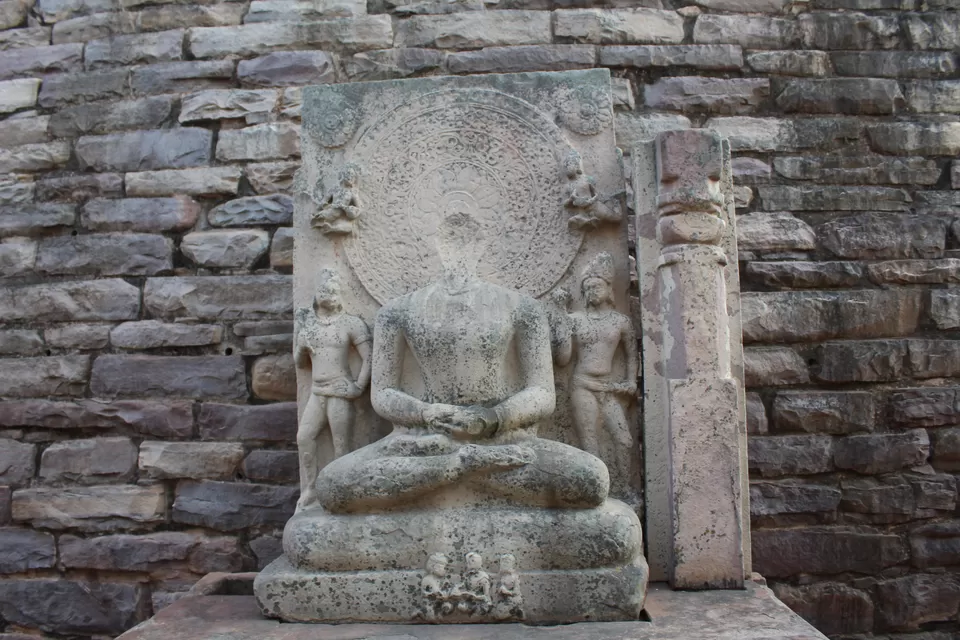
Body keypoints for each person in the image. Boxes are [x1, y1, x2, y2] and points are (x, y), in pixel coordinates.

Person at [314, 212, 609, 514]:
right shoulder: (396, 311)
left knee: (592, 479)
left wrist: (494, 417)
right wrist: (426, 412)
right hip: (422, 444)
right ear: (435, 245)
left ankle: (457, 473)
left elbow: (543, 393)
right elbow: (383, 394)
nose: (458, 247)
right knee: (332, 485)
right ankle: (460, 467)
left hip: (506, 441)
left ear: (483, 245)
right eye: (449, 238)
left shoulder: (523, 308)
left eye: (468, 238)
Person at [294, 269, 371, 512]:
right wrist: (301, 347)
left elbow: (369, 358)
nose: (330, 295)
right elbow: (300, 364)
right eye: (325, 291)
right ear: (317, 294)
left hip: (339, 391)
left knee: (341, 445)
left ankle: (340, 492)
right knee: (304, 437)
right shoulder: (308, 324)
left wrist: (357, 387)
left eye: (334, 291)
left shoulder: (350, 324)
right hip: (317, 392)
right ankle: (311, 488)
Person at [568, 252, 638, 495]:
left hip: (608, 387)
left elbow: (631, 355)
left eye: (596, 287)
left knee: (623, 439)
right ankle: (597, 490)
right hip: (582, 384)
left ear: (608, 288)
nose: (592, 292)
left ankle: (626, 488)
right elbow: (563, 357)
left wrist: (630, 381)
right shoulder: (574, 320)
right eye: (587, 288)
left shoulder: (620, 322)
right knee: (589, 441)